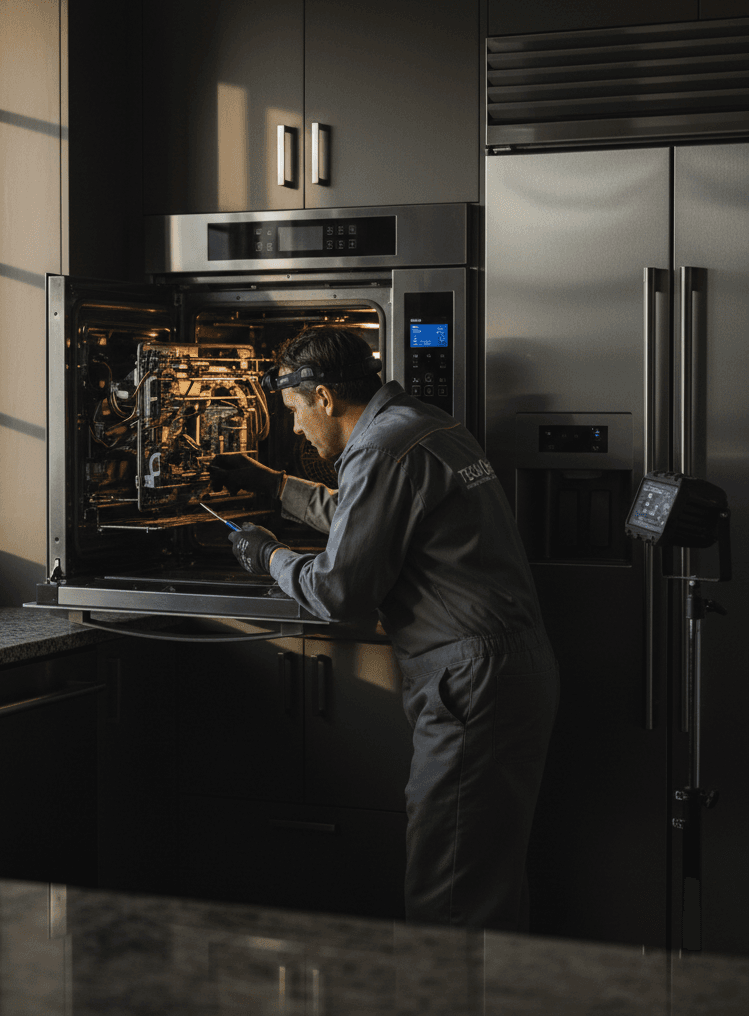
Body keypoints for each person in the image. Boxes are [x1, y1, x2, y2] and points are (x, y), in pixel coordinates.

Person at [210, 326, 559, 932]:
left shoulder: (377, 449)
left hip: (468, 683)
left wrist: (266, 556)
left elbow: (337, 592)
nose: (294, 428)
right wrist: (272, 484)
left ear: (322, 397)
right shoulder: (421, 424)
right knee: (486, 879)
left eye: (294, 411)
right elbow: (367, 517)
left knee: (448, 895)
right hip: (508, 668)